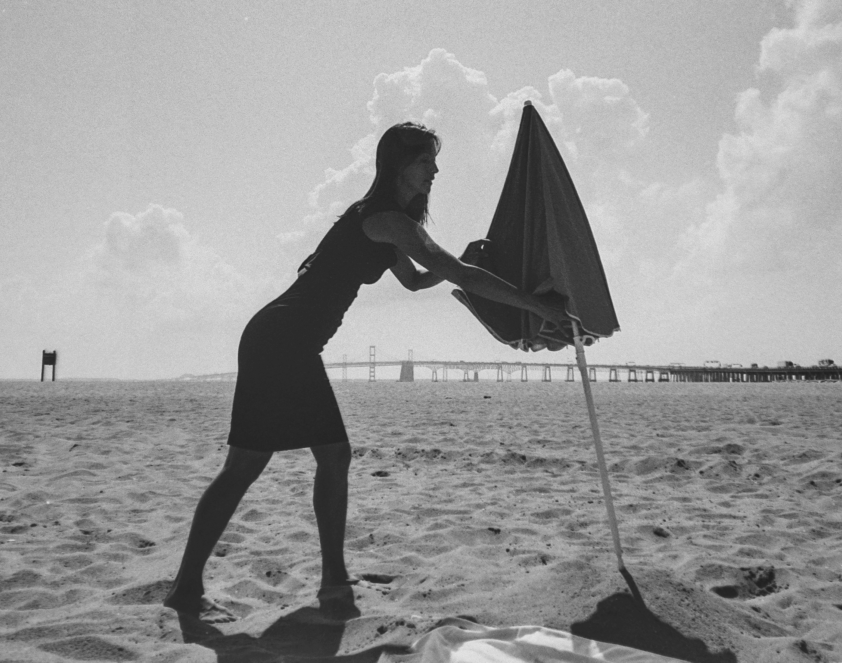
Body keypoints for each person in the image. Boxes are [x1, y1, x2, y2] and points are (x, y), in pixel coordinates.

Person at [163, 121, 568, 623]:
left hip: (283, 340)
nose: (435, 170)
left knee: (312, 458)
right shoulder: (383, 219)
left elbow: (419, 281)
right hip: (282, 340)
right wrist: (535, 305)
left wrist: (459, 261)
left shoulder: (390, 222)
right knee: (281, 462)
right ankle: (303, 583)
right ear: (398, 165)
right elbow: (460, 277)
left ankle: (314, 581)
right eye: (425, 161)